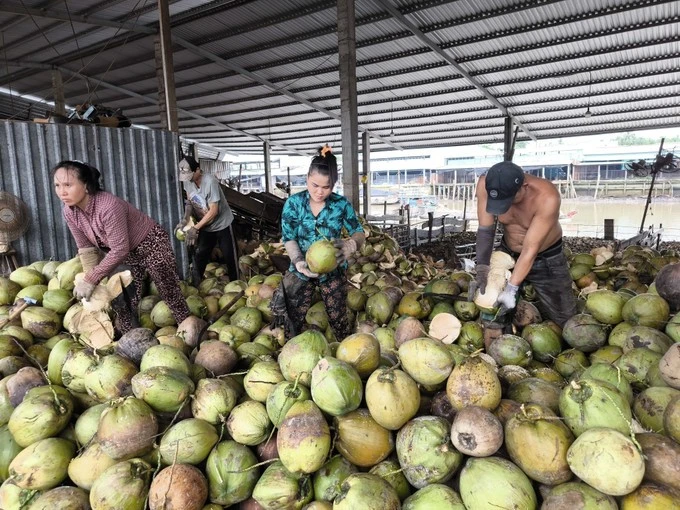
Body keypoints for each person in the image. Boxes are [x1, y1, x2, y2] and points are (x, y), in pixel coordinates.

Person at [53, 160, 191, 333]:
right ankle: (130, 338)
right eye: (57, 185)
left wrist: (91, 279)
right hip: (126, 254)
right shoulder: (69, 211)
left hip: (151, 244)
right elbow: (85, 247)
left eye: (68, 185)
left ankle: (190, 333)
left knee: (168, 290)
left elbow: (119, 249)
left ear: (86, 185)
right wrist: (91, 279)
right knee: (123, 299)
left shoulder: (108, 206)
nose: (62, 191)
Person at [270, 145, 365, 340]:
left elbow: (358, 231)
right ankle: (292, 350)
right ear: (307, 178)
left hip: (333, 272)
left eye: (326, 187)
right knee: (292, 319)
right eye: (314, 185)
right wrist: (298, 260)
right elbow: (289, 237)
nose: (319, 192)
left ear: (334, 185)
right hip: (300, 270)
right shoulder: (293, 204)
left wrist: (352, 245)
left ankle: (342, 349)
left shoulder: (340, 205)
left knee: (338, 319)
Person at [475, 161, 577, 327]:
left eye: (510, 198)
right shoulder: (485, 185)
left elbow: (530, 249)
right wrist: (482, 266)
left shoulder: (547, 196)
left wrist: (511, 288)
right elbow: (486, 229)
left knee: (565, 319)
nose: (506, 205)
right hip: (507, 253)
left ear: (525, 185)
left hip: (545, 256)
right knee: (493, 313)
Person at [176, 156, 238, 284]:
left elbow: (213, 211)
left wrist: (195, 228)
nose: (188, 179)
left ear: (198, 169)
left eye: (190, 175)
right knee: (201, 255)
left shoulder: (210, 181)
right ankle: (195, 285)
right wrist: (185, 219)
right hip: (206, 226)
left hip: (223, 224)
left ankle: (237, 284)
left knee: (230, 256)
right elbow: (189, 202)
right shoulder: (188, 181)